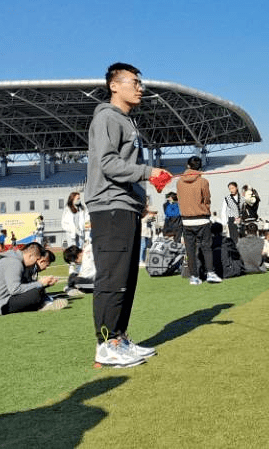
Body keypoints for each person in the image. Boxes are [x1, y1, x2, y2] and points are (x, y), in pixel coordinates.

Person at [85, 62, 168, 368]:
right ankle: (105, 344)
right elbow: (107, 163)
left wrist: (140, 197)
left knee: (127, 278)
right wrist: (148, 171)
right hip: (109, 207)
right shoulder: (107, 118)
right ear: (114, 85)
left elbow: (123, 167)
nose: (140, 88)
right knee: (112, 277)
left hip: (125, 205)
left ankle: (118, 338)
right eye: (134, 82)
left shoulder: (126, 122)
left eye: (139, 83)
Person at [0, 242, 68, 315]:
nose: (35, 263)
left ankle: (43, 302)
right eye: (36, 259)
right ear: (30, 256)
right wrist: (41, 283)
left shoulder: (11, 259)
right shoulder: (15, 263)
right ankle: (42, 305)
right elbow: (15, 289)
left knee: (36, 289)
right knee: (35, 293)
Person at [177, 156, 222, 285]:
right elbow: (207, 198)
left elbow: (180, 198)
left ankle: (194, 277)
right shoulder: (203, 181)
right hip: (202, 219)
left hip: (186, 220)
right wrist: (205, 207)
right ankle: (210, 273)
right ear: (200, 167)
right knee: (206, 248)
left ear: (188, 166)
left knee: (190, 249)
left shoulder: (179, 182)